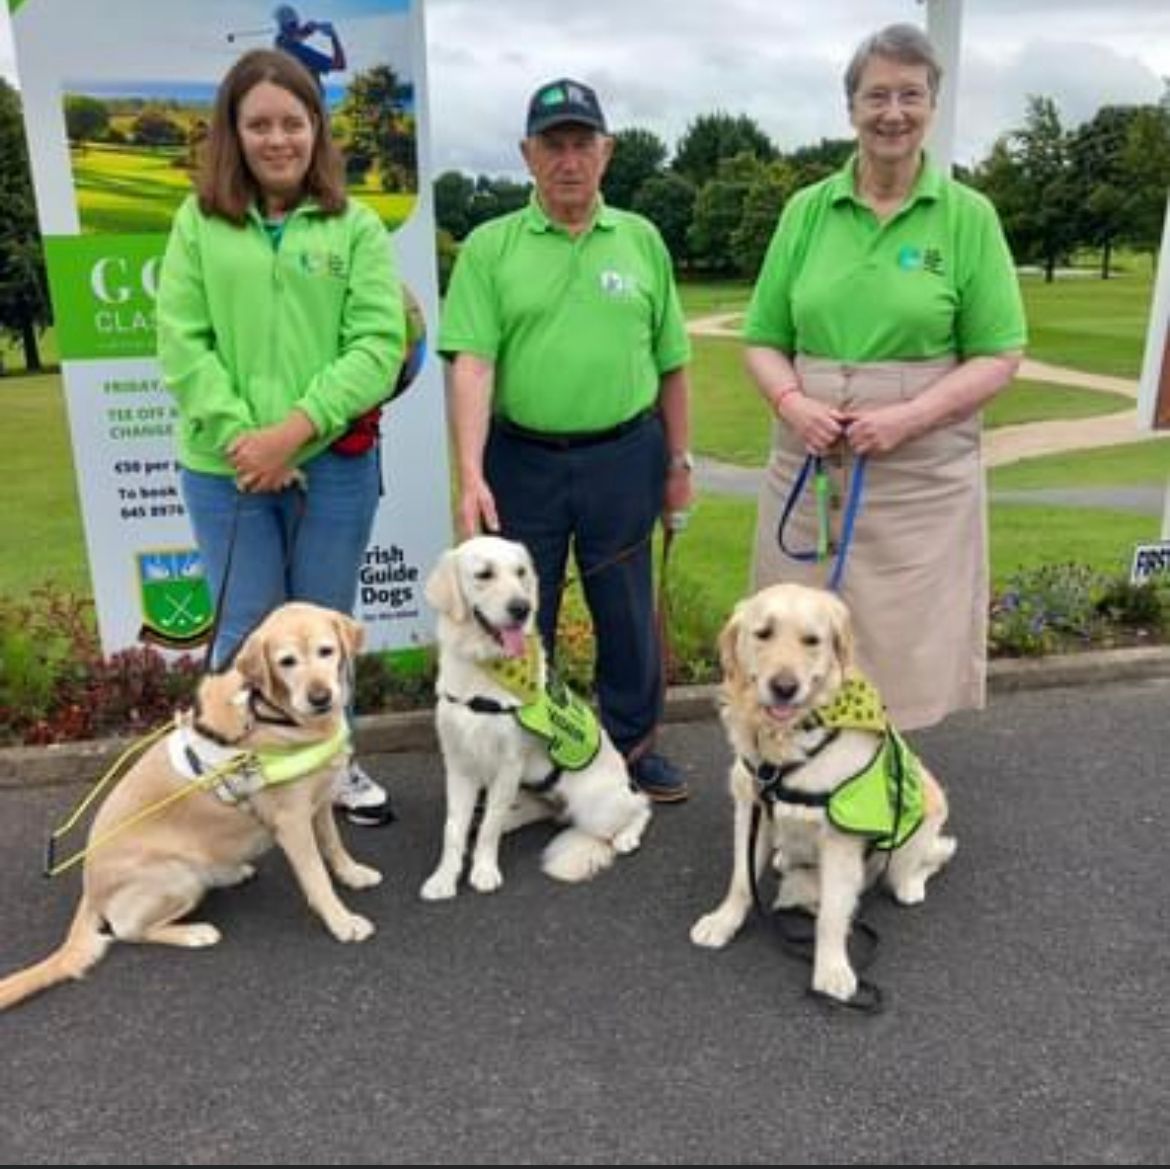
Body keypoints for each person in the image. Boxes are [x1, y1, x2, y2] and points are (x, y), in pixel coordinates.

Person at [743, 23, 1027, 731]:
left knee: (896, 653)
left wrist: (907, 416)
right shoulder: (806, 211)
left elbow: (999, 354)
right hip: (806, 466)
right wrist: (790, 399)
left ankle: (876, 805)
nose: (892, 112)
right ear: (851, 109)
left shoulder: (968, 217)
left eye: (910, 94)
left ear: (932, 104)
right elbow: (763, 339)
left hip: (917, 474)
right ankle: (798, 806)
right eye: (876, 95)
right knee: (789, 645)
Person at [156, 48, 404, 825]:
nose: (276, 139)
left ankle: (333, 767)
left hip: (331, 464)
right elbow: (180, 341)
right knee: (248, 626)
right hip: (223, 467)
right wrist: (245, 441)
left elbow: (375, 346)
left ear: (315, 130)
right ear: (233, 131)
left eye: (292, 123)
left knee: (323, 624)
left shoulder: (355, 225)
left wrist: (290, 436)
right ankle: (245, 775)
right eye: (258, 123)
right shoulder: (198, 223)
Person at [438, 78, 695, 803]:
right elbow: (474, 365)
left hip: (624, 453)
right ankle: (520, 754)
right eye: (553, 144)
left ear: (606, 152)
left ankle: (633, 748)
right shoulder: (491, 247)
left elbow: (673, 363)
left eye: (583, 143)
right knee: (519, 614)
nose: (569, 159)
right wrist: (469, 472)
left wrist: (679, 463)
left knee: (625, 608)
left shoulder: (641, 239)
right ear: (527, 154)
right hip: (522, 459)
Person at [272, 5, 345, 92]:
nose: (298, 26)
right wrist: (334, 37)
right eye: (295, 24)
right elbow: (339, 65)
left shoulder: (279, 47)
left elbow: (292, 37)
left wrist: (308, 30)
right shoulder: (301, 52)